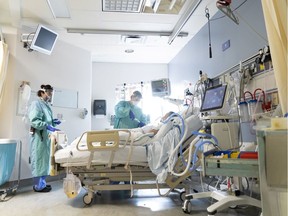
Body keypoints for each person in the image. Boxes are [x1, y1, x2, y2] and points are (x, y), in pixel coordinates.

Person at [28, 84, 61, 192]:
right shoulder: (36, 104)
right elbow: (34, 120)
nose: (50, 95)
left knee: (44, 161)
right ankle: (38, 186)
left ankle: (42, 183)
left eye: (51, 93)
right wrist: (47, 125)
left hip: (45, 137)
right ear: (42, 92)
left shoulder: (46, 105)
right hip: (39, 137)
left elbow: (46, 120)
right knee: (39, 160)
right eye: (49, 93)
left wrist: (53, 122)